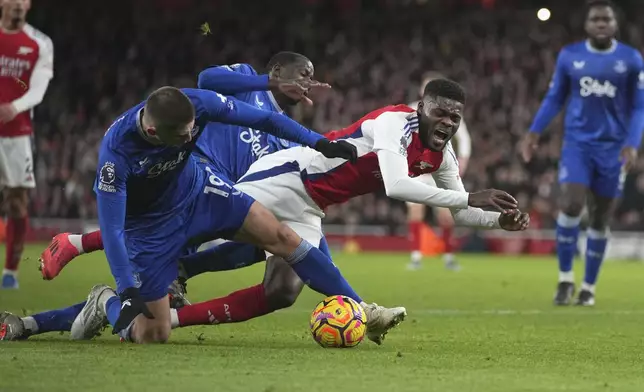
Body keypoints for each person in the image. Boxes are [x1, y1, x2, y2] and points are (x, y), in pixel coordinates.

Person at [520, 0, 644, 306]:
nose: (601, 24)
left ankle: (588, 286)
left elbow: (639, 108)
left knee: (601, 217)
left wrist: (632, 143)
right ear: (587, 24)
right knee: (572, 203)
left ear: (615, 25)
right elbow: (554, 97)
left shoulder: (630, 59)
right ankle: (564, 280)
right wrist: (535, 131)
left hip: (613, 150)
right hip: (577, 145)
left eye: (606, 19)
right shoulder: (570, 56)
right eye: (596, 19)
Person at [0, 0, 54, 289]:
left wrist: (14, 106)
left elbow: (39, 87)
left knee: (17, 204)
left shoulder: (39, 43)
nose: (19, 4)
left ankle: (10, 273)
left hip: (17, 134)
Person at [406, 72, 471, 271]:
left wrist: (462, 162)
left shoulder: (450, 112)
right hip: (416, 171)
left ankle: (448, 255)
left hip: (438, 170)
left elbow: (465, 139)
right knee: (415, 212)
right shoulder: (409, 110)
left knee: (445, 215)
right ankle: (416, 255)